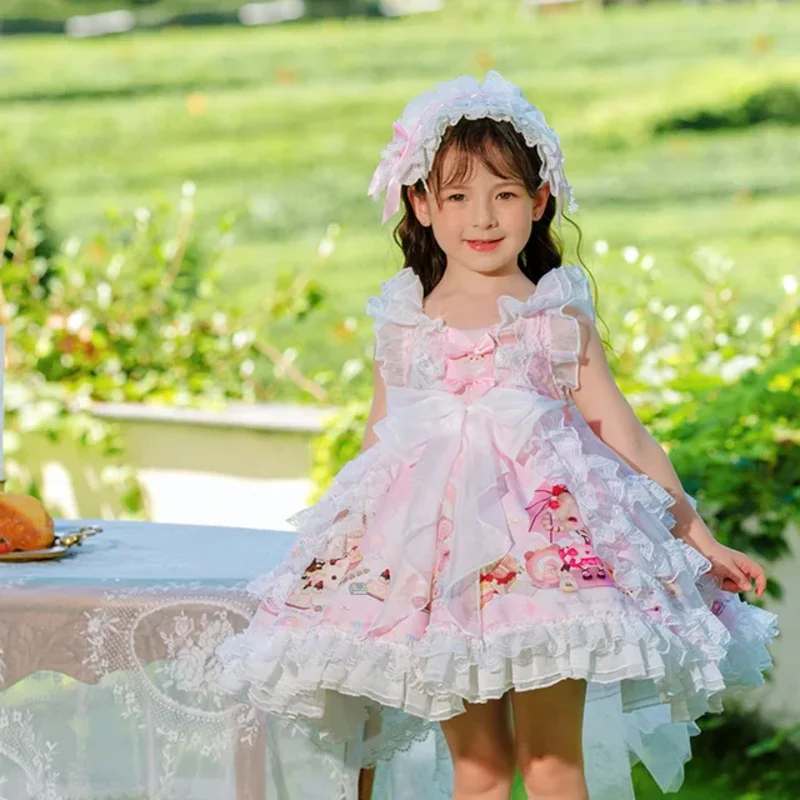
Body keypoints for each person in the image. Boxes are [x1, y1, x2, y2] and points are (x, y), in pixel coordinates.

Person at [218, 71, 778, 800]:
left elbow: (623, 433)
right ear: (420, 203)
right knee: (477, 771)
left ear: (540, 201)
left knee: (552, 767)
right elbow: (379, 441)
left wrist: (696, 534)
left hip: (548, 565)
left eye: (504, 194)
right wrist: (337, 545)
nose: (482, 217)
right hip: (437, 572)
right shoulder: (404, 320)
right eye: (457, 196)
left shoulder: (553, 317)